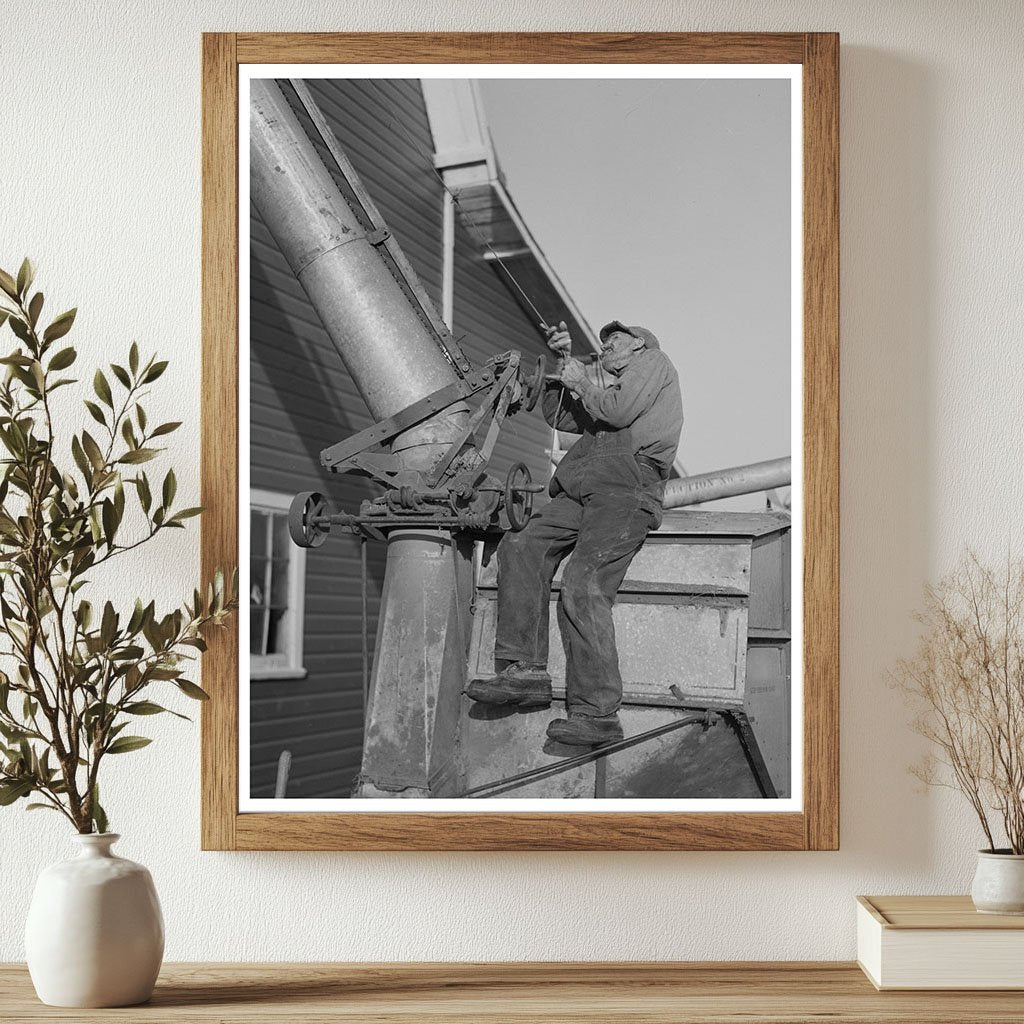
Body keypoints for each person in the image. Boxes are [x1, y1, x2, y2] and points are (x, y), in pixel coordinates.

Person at [466, 320, 684, 746]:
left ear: (637, 344)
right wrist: (564, 365)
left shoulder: (654, 363)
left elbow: (617, 411)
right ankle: (524, 672)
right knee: (522, 541)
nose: (605, 348)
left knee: (583, 583)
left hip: (627, 486)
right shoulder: (607, 392)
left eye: (613, 341)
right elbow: (562, 416)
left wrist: (582, 378)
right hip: (581, 485)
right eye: (602, 344)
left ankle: (597, 713)